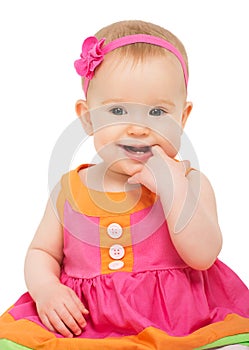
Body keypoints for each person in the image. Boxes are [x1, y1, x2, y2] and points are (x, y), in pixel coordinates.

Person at [0, 19, 249, 350]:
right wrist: (47, 290)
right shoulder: (70, 189)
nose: (138, 128)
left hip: (183, 321)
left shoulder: (190, 182)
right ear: (88, 118)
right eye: (118, 110)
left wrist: (172, 190)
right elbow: (41, 252)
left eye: (158, 112)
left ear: (183, 118)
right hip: (87, 322)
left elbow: (203, 256)